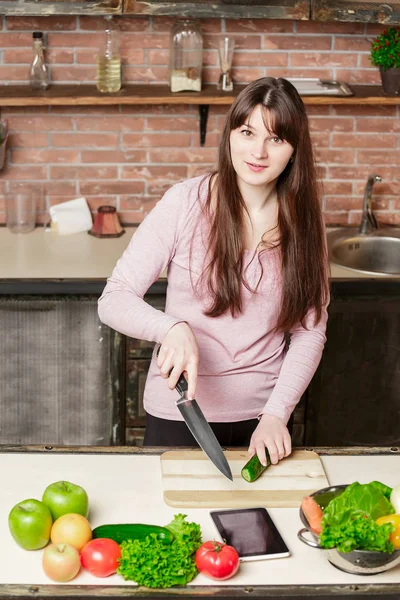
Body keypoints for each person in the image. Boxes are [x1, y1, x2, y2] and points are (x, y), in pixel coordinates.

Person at [98, 76, 329, 467]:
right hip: (180, 415)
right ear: (230, 135)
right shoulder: (184, 203)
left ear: (294, 149)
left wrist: (277, 413)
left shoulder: (306, 223)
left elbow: (309, 330)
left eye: (276, 139)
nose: (258, 151)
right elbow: (114, 298)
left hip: (263, 421)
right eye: (247, 132)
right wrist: (171, 328)